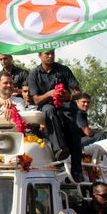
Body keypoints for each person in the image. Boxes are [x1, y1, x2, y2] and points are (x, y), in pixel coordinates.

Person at [28, 49, 83, 182]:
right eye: (47, 54)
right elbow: (36, 100)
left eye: (52, 53)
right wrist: (49, 94)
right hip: (46, 105)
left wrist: (69, 96)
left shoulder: (63, 69)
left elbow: (78, 92)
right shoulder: (34, 74)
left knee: (74, 133)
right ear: (39, 55)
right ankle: (59, 149)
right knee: (49, 110)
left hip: (65, 105)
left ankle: (77, 170)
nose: (50, 56)